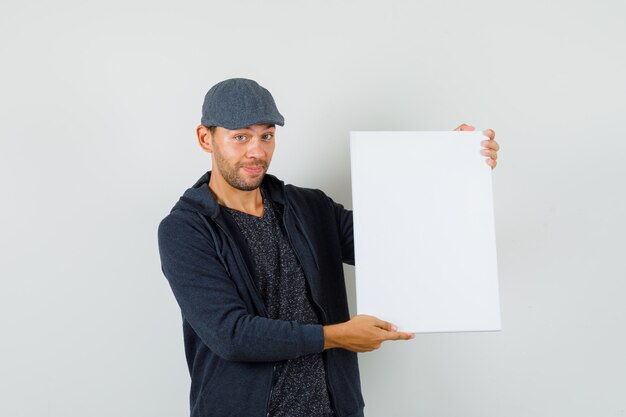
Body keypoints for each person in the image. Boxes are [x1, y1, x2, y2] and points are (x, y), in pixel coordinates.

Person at [157, 78, 500, 417]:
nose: (257, 151)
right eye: (240, 137)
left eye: (267, 135)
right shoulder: (185, 229)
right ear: (206, 138)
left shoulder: (311, 207)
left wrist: (449, 164)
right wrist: (337, 336)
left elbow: (398, 238)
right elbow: (231, 334)